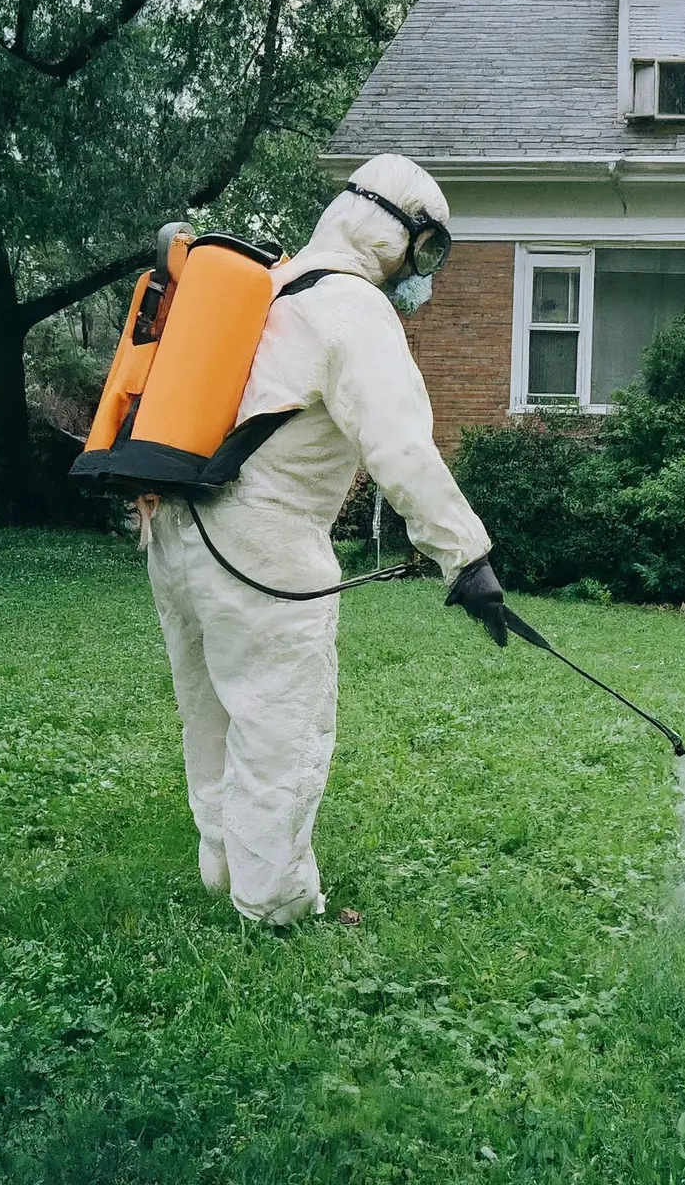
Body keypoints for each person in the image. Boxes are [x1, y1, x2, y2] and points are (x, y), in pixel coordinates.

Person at [146, 153, 505, 925]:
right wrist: (466, 557)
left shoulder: (266, 288)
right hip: (261, 544)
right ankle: (274, 907)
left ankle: (224, 872)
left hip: (175, 530)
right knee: (281, 723)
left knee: (210, 714)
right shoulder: (353, 309)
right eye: (428, 248)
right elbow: (402, 450)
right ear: (395, 234)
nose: (424, 271)